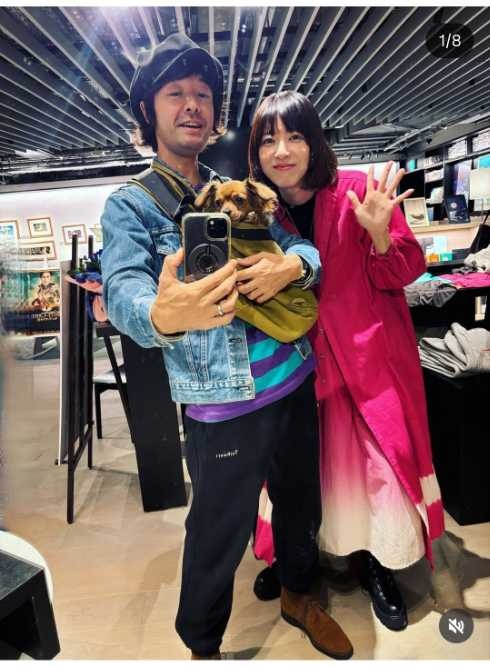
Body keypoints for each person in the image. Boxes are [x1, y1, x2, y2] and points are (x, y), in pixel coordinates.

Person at [101, 35, 353, 660]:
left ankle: (299, 596)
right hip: (223, 403)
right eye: (175, 94)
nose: (192, 105)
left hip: (292, 378)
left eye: (203, 95)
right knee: (217, 532)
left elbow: (300, 248)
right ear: (148, 110)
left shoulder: (242, 187)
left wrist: (292, 267)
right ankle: (203, 647)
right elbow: (124, 289)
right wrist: (160, 313)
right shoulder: (131, 206)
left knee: (300, 503)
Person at [246, 91, 445, 632]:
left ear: (314, 142)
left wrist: (380, 232)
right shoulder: (259, 211)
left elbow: (403, 270)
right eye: (268, 140)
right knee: (303, 470)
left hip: (367, 355)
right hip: (293, 362)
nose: (282, 151)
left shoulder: (357, 190)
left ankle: (377, 563)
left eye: (294, 137)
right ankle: (296, 563)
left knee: (373, 467)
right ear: (255, 153)